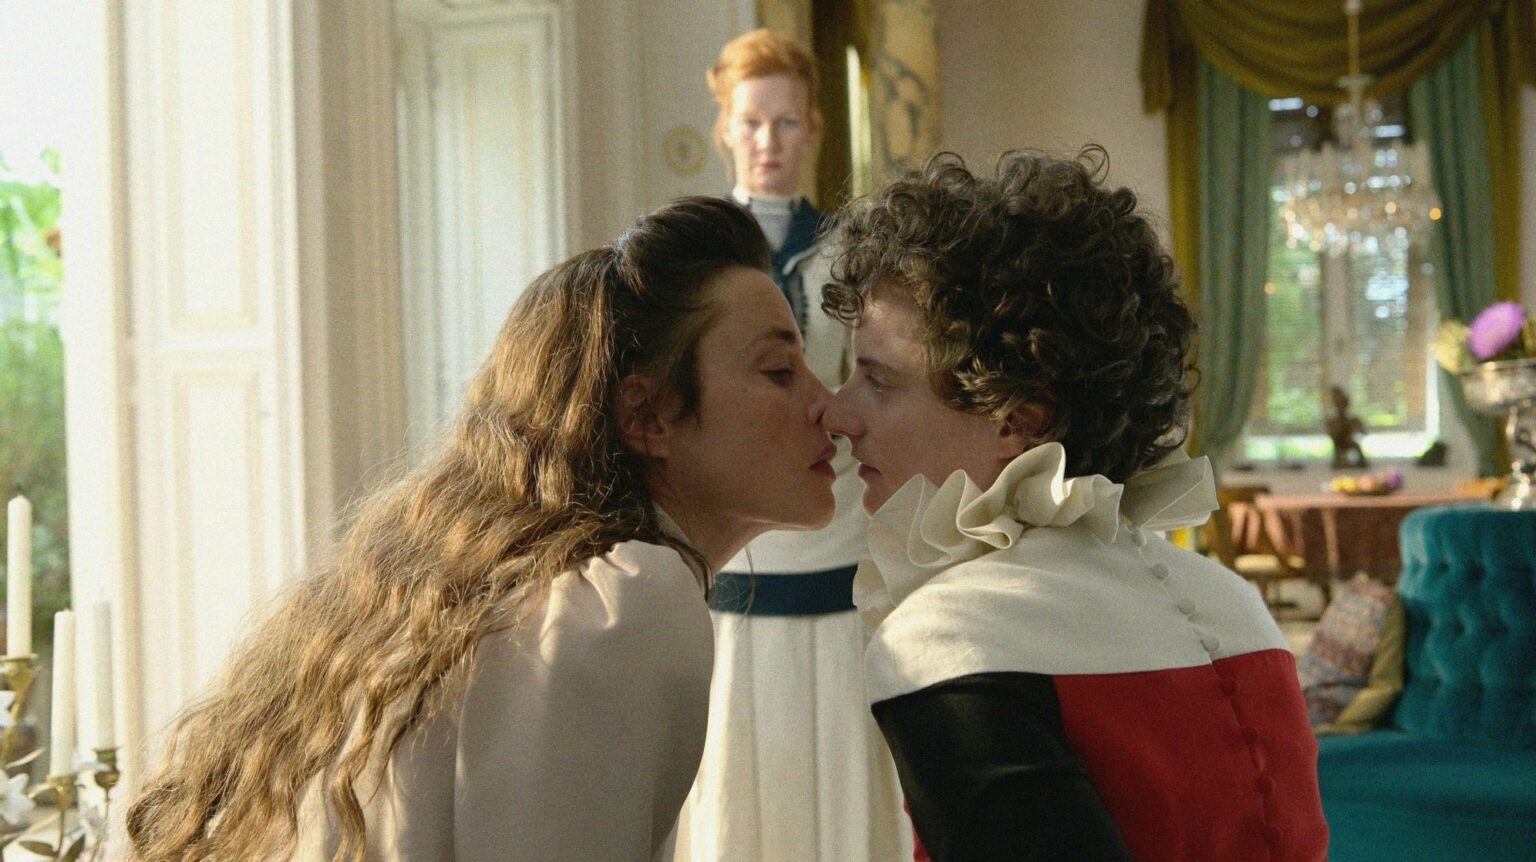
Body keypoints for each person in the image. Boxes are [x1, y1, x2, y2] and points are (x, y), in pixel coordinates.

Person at [123, 197, 841, 862]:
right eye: (780, 370)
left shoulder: (543, 592)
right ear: (646, 417)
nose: (828, 406)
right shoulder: (624, 603)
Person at [823, 150, 1330, 861]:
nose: (838, 414)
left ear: (1016, 416)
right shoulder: (1234, 603)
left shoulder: (949, 636)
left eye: (878, 381)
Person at [673, 28, 910, 862]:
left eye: (784, 122)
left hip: (837, 530)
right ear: (725, 129)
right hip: (732, 543)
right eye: (751, 122)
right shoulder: (693, 259)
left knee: (843, 771)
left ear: (811, 127)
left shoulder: (849, 251)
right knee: (741, 774)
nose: (767, 141)